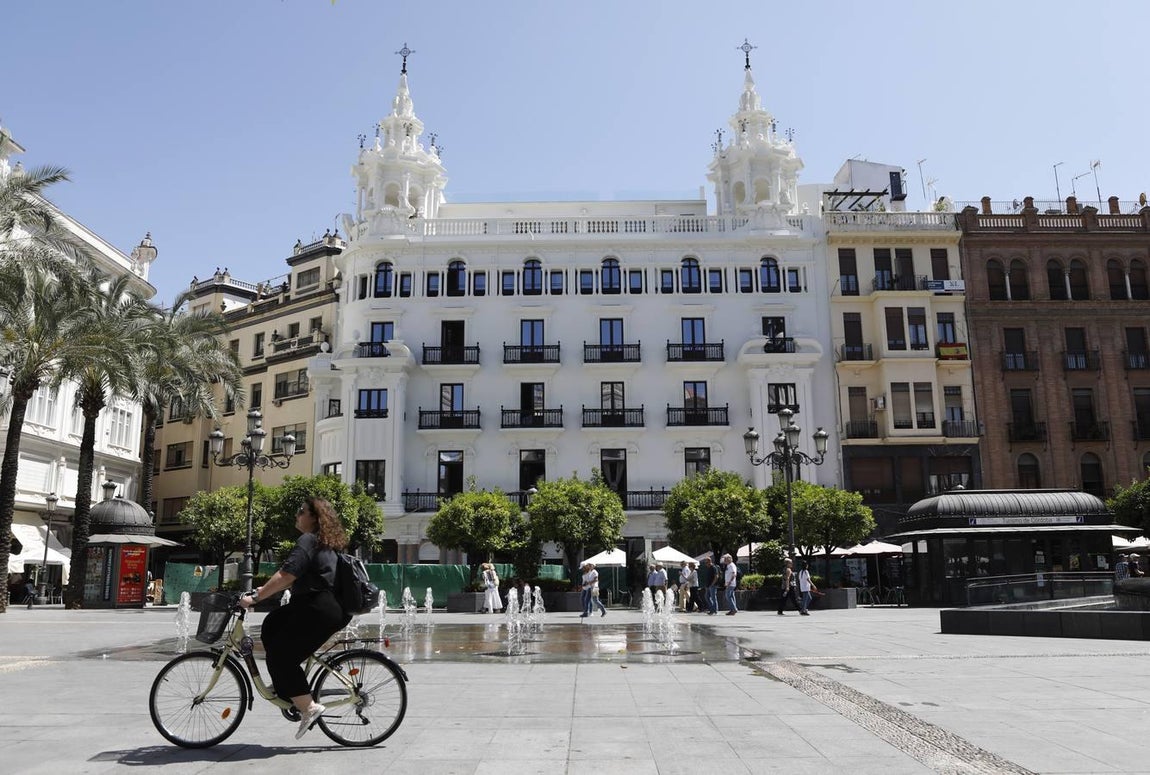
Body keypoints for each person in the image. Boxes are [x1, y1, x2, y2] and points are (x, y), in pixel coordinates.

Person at [239, 496, 350, 739]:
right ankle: (288, 685)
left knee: (281, 656)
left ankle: (309, 708)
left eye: (301, 511)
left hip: (319, 609)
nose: (297, 515)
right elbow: (290, 576)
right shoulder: (322, 542)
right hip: (317, 607)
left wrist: (255, 598)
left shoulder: (309, 540)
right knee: (272, 624)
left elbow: (286, 575)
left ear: (314, 518)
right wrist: (262, 591)